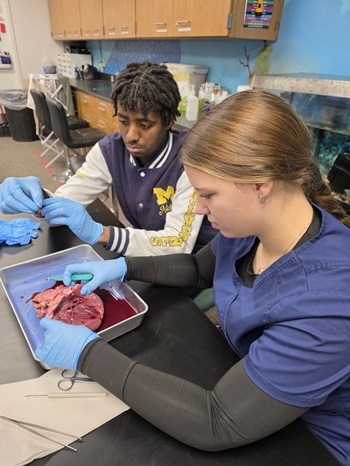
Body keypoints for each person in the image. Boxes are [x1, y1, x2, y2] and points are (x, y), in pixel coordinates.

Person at [34, 90, 350, 465]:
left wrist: (86, 354)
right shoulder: (256, 224)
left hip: (312, 439)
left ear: (261, 183)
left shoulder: (329, 299)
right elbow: (200, 269)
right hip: (245, 384)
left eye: (207, 195)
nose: (198, 208)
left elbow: (218, 422)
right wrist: (124, 267)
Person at [0, 61, 215, 256]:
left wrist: (101, 233)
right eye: (123, 121)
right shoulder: (111, 150)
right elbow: (69, 197)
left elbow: (178, 243)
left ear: (169, 121)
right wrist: (39, 199)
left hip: (197, 262)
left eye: (144, 125)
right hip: (149, 251)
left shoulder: (189, 159)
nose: (131, 136)